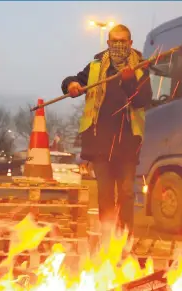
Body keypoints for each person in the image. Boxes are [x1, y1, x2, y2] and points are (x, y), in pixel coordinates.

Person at [61, 24, 152, 238]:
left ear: (130, 43)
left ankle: (125, 239)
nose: (119, 45)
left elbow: (143, 101)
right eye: (115, 41)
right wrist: (71, 85)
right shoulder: (95, 67)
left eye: (123, 41)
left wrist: (130, 82)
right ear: (108, 43)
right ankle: (108, 237)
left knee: (127, 193)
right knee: (105, 194)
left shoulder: (140, 68)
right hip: (100, 144)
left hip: (128, 144)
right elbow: (71, 82)